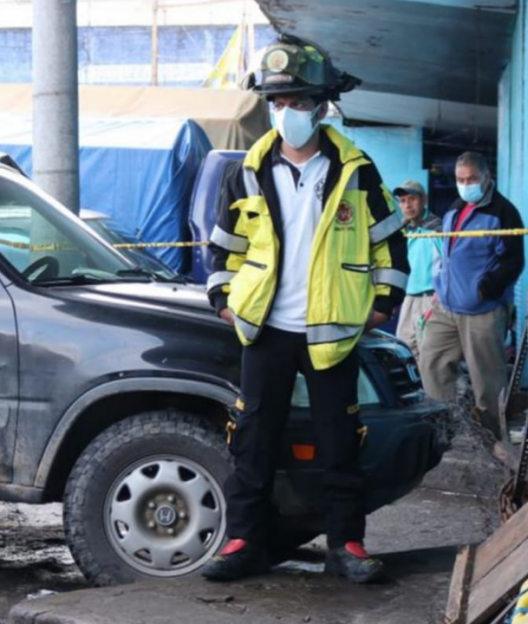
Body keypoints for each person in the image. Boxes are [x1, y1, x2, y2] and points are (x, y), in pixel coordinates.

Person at [203, 34, 409, 584]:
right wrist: (225, 303)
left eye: (296, 102)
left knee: (340, 444)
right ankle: (245, 543)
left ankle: (347, 546)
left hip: (332, 333)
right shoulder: (246, 170)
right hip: (265, 330)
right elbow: (224, 249)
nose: (286, 113)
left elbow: (389, 243)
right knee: (253, 440)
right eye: (277, 102)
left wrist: (382, 307)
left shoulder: (356, 171)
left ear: (321, 105)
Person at [418, 152, 524, 437]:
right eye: (460, 179)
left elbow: (513, 261)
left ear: (487, 177)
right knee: (431, 364)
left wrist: (485, 288)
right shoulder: (454, 208)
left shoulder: (503, 212)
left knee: (487, 382)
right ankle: (446, 430)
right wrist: (440, 287)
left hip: (483, 310)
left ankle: (491, 442)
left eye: (472, 179)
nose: (466, 185)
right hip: (446, 307)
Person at [393, 180, 442, 362]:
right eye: (402, 200)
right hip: (409, 297)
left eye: (412, 199)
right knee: (405, 348)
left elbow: (450, 263)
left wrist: (441, 291)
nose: (407, 205)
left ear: (424, 200)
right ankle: (422, 390)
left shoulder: (437, 228)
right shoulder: (402, 228)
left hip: (431, 298)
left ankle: (458, 390)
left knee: (432, 354)